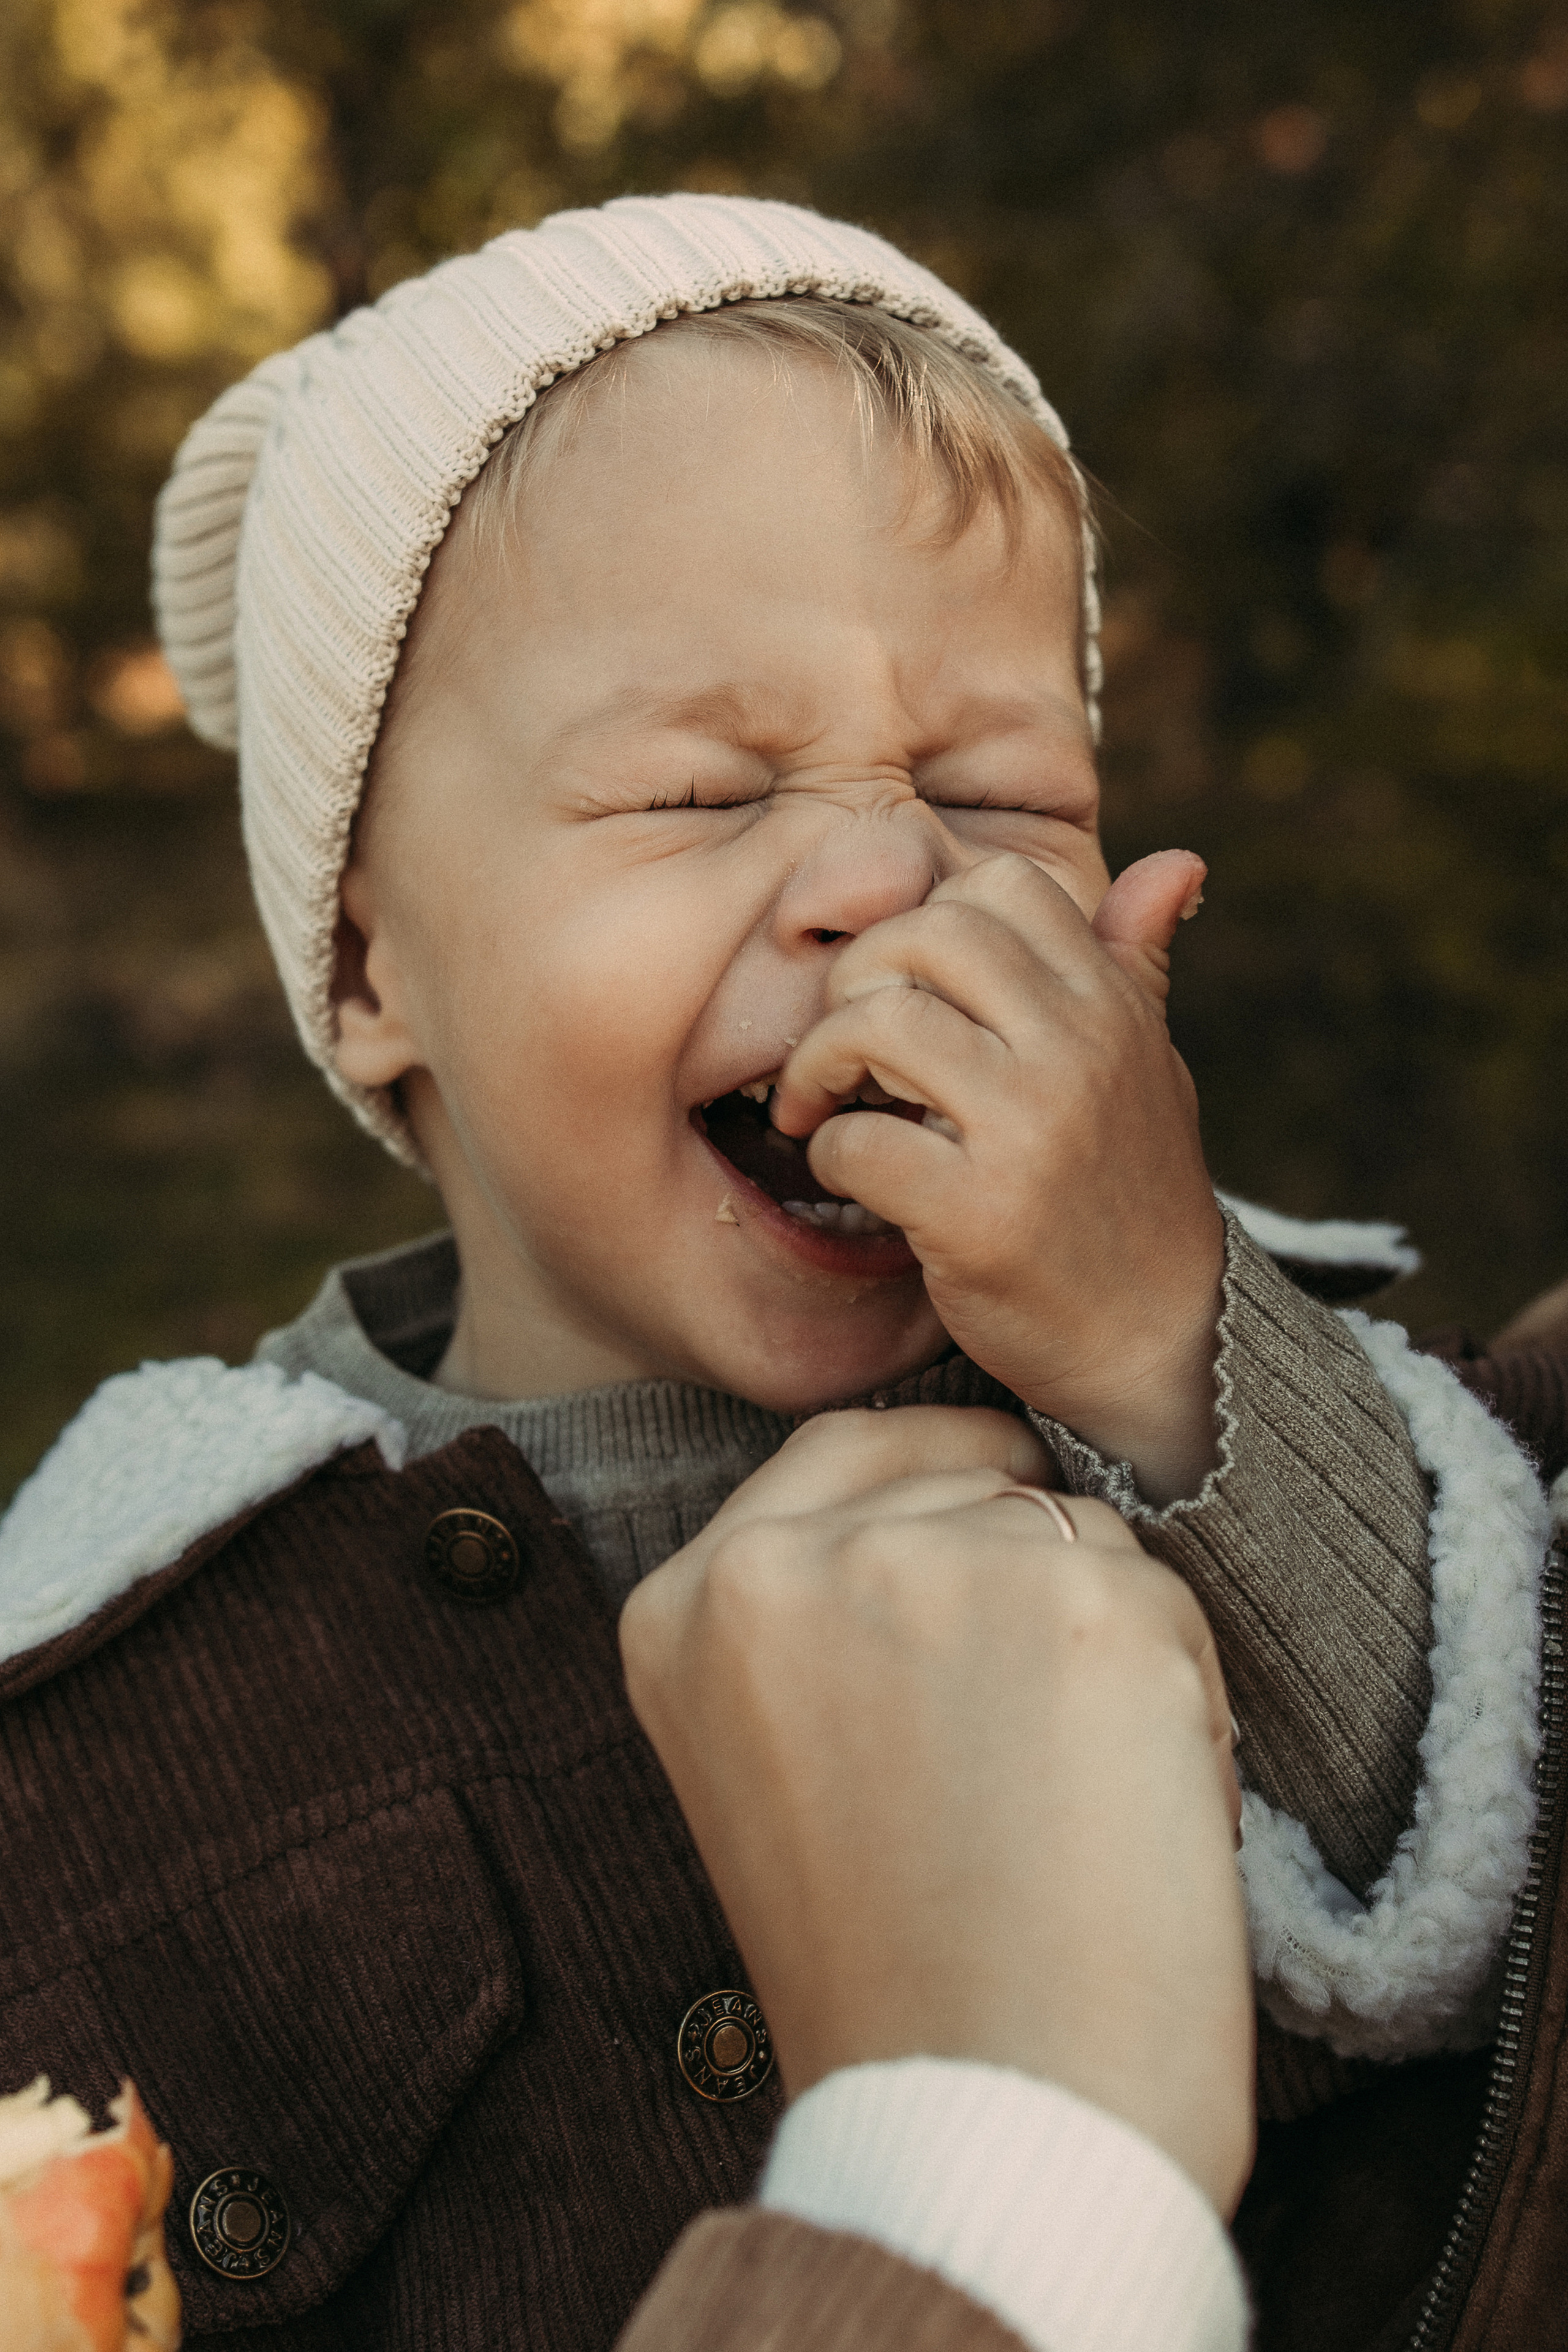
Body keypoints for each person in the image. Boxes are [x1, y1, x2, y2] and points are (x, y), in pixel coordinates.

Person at [0, 194, 1562, 2349]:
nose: (883, 870)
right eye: (695, 790)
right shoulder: (120, 1686)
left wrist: (1164, 1341)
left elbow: (1486, 1844)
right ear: (373, 970)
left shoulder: (1237, 1397)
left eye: (999, 790)